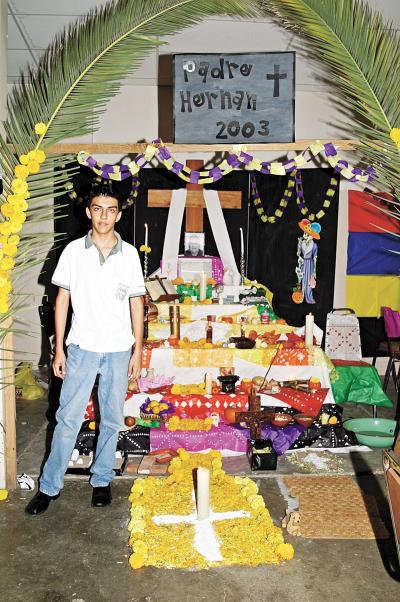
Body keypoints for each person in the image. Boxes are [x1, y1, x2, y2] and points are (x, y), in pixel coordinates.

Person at [25, 185, 145, 515]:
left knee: (111, 418)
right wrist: (59, 349)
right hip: (81, 348)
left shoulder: (130, 255)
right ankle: (49, 486)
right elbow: (61, 301)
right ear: (88, 212)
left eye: (111, 210)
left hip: (119, 349)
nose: (104, 215)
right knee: (67, 418)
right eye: (98, 209)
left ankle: (102, 480)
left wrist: (138, 349)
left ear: (119, 215)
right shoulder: (74, 252)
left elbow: (137, 302)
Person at [295, 219, 321, 304]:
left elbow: (315, 258)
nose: (304, 234)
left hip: (310, 263)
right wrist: (298, 245)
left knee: (309, 281)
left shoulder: (314, 245)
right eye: (304, 232)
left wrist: (314, 271)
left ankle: (309, 297)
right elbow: (298, 253)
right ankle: (301, 296)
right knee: (302, 280)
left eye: (307, 233)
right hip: (303, 263)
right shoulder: (302, 242)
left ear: (311, 235)